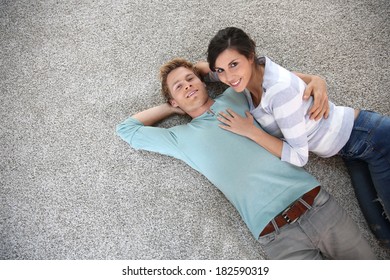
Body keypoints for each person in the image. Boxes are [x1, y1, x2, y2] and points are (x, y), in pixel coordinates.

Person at [116, 58, 375, 259]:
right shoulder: (179, 138)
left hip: (315, 205)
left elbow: (265, 76)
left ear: (204, 81)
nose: (188, 86)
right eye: (179, 86)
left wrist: (314, 79)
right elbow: (127, 129)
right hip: (275, 235)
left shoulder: (234, 96)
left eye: (190, 79)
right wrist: (173, 105)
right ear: (173, 100)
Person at [198, 26, 390, 248]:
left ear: (250, 56)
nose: (228, 77)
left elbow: (299, 157)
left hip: (372, 139)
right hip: (352, 150)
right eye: (221, 70)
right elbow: (205, 70)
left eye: (234, 65)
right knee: (383, 235)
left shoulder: (278, 92)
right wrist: (189, 76)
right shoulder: (254, 72)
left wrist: (251, 131)